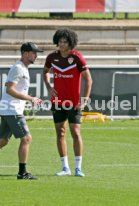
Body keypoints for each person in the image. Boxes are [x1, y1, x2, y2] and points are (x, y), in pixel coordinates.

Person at [0, 42, 43, 180]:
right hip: (13, 110)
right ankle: (22, 173)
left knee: (2, 141)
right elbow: (10, 89)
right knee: (26, 138)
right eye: (34, 53)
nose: (36, 56)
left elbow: (9, 85)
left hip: (8, 110)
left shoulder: (21, 68)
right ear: (25, 53)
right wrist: (30, 98)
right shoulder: (18, 68)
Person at [43, 28, 92, 177]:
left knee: (75, 132)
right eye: (60, 41)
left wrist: (83, 100)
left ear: (71, 43)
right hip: (57, 101)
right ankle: (65, 168)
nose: (62, 44)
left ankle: (78, 168)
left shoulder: (77, 58)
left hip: (74, 103)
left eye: (65, 42)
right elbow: (44, 72)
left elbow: (88, 79)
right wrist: (49, 87)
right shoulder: (52, 57)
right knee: (60, 132)